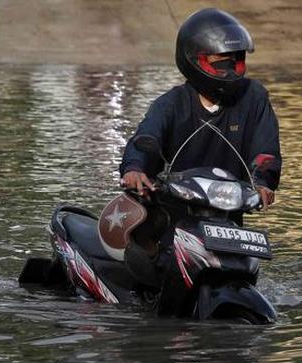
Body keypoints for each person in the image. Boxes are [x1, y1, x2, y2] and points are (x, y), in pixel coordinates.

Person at [119, 8, 282, 215]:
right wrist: (134, 169)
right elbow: (145, 137)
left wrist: (262, 182)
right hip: (174, 210)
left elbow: (266, 149)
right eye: (221, 57)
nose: (229, 64)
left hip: (228, 211)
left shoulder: (254, 97)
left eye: (236, 57)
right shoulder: (170, 104)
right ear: (194, 59)